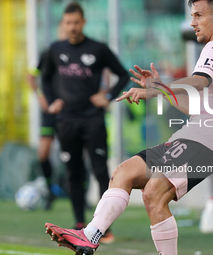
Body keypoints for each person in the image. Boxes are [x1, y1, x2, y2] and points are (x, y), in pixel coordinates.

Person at [45, 0, 213, 254]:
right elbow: (199, 109)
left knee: (154, 193)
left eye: (198, 15)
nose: (193, 22)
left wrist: (153, 91)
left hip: (205, 142)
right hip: (196, 137)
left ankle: (89, 236)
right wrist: (160, 88)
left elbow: (197, 81)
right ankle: (90, 235)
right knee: (124, 173)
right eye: (192, 15)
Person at [41, 2, 129, 242]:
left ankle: (103, 227)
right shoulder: (55, 49)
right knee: (74, 172)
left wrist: (108, 95)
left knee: (101, 171)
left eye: (76, 22)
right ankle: (79, 221)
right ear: (63, 24)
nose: (72, 27)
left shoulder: (98, 49)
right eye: (68, 23)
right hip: (67, 121)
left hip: (93, 119)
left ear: (84, 22)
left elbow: (124, 74)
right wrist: (52, 101)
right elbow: (45, 78)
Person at [27, 22, 68, 210]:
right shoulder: (48, 53)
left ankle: (79, 194)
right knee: (42, 153)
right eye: (64, 27)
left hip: (69, 111)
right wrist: (40, 97)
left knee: (73, 153)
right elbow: (31, 75)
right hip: (50, 112)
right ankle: (50, 190)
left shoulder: (77, 55)